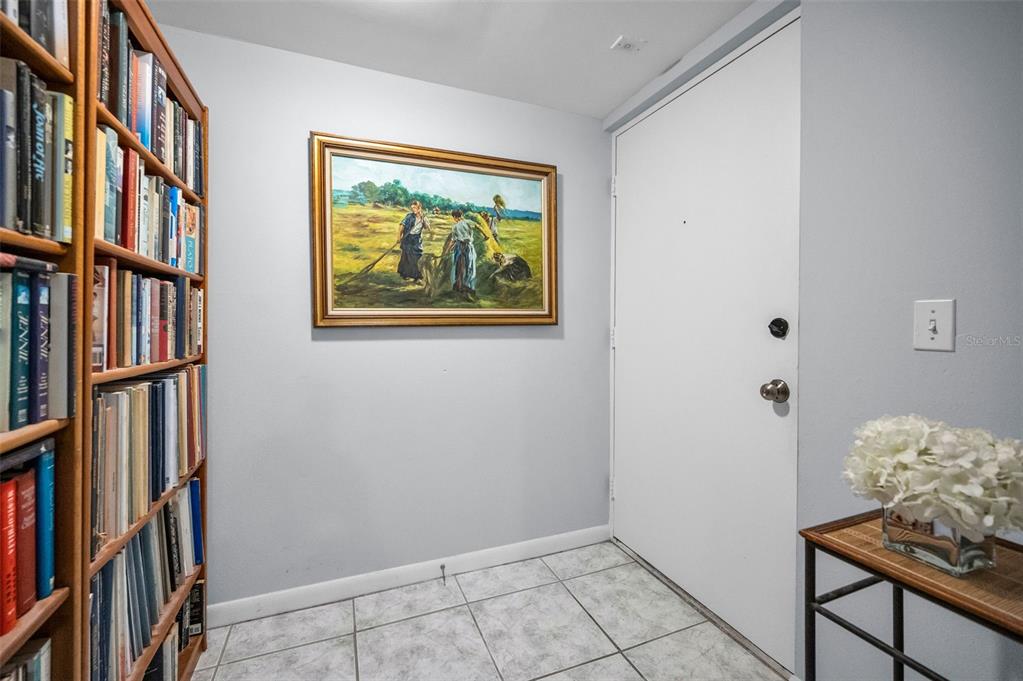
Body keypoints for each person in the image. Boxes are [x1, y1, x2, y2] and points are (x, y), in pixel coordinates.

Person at [442, 209, 484, 298]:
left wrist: (447, 250)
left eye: (453, 217)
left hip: (459, 247)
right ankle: (468, 286)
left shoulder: (455, 226)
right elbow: (478, 226)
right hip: (468, 246)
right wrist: (486, 235)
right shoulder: (468, 222)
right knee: (470, 266)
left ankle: (459, 285)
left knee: (459, 266)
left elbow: (453, 240)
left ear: (454, 217)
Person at [396, 200, 429, 281]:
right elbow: (401, 226)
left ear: (419, 208)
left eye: (415, 208)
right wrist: (399, 237)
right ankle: (405, 274)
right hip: (408, 238)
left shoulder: (424, 217)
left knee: (417, 256)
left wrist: (424, 220)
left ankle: (417, 276)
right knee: (406, 256)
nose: (413, 210)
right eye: (412, 208)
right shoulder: (409, 216)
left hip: (417, 239)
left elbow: (427, 228)